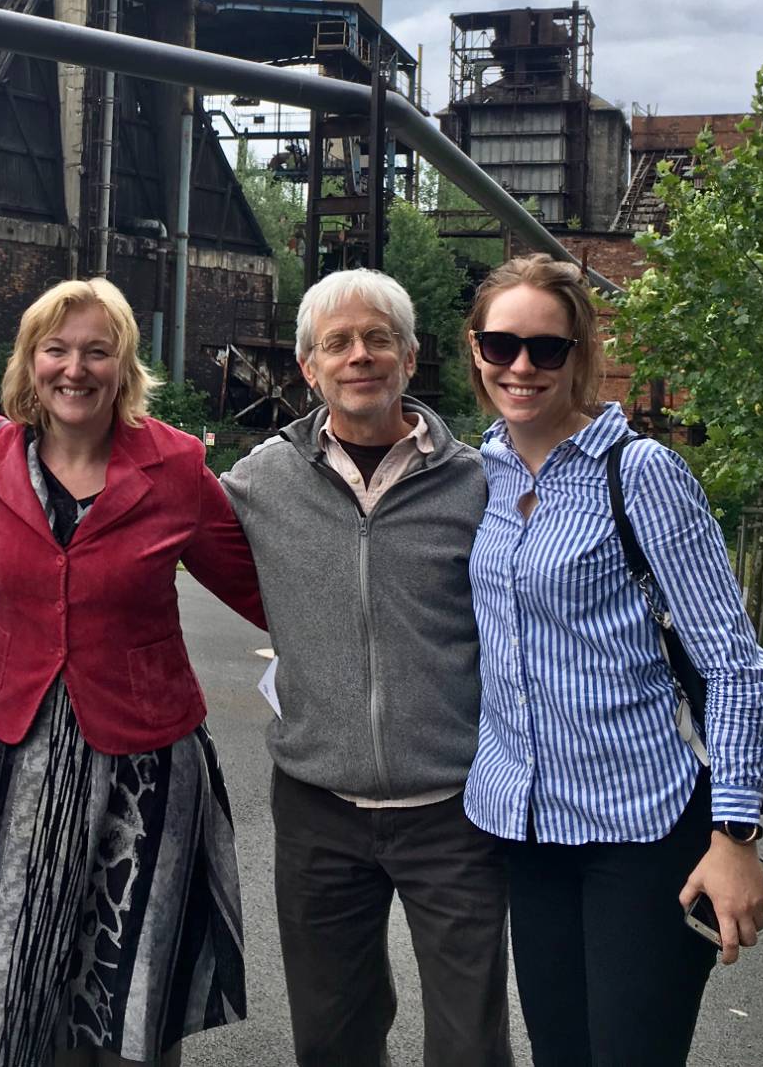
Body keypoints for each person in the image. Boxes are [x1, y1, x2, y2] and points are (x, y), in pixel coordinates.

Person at [0, 278, 265, 1067]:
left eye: (97, 351)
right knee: (13, 989)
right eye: (56, 349)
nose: (74, 369)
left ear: (124, 366)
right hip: (11, 755)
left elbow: (259, 588)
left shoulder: (176, 467)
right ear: (29, 362)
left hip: (144, 763)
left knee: (128, 993)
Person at [461, 254, 763, 1067]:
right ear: (475, 350)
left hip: (638, 834)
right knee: (560, 1054)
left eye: (547, 349)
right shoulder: (484, 472)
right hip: (527, 829)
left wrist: (735, 836)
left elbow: (734, 664)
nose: (522, 367)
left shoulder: (638, 473)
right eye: (502, 346)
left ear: (581, 355)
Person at [220, 268, 511, 1067]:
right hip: (319, 807)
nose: (360, 356)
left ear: (410, 359)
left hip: (453, 807)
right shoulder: (258, 483)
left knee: (470, 1043)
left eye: (378, 339)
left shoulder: (480, 483)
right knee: (333, 1036)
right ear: (308, 368)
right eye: (337, 343)